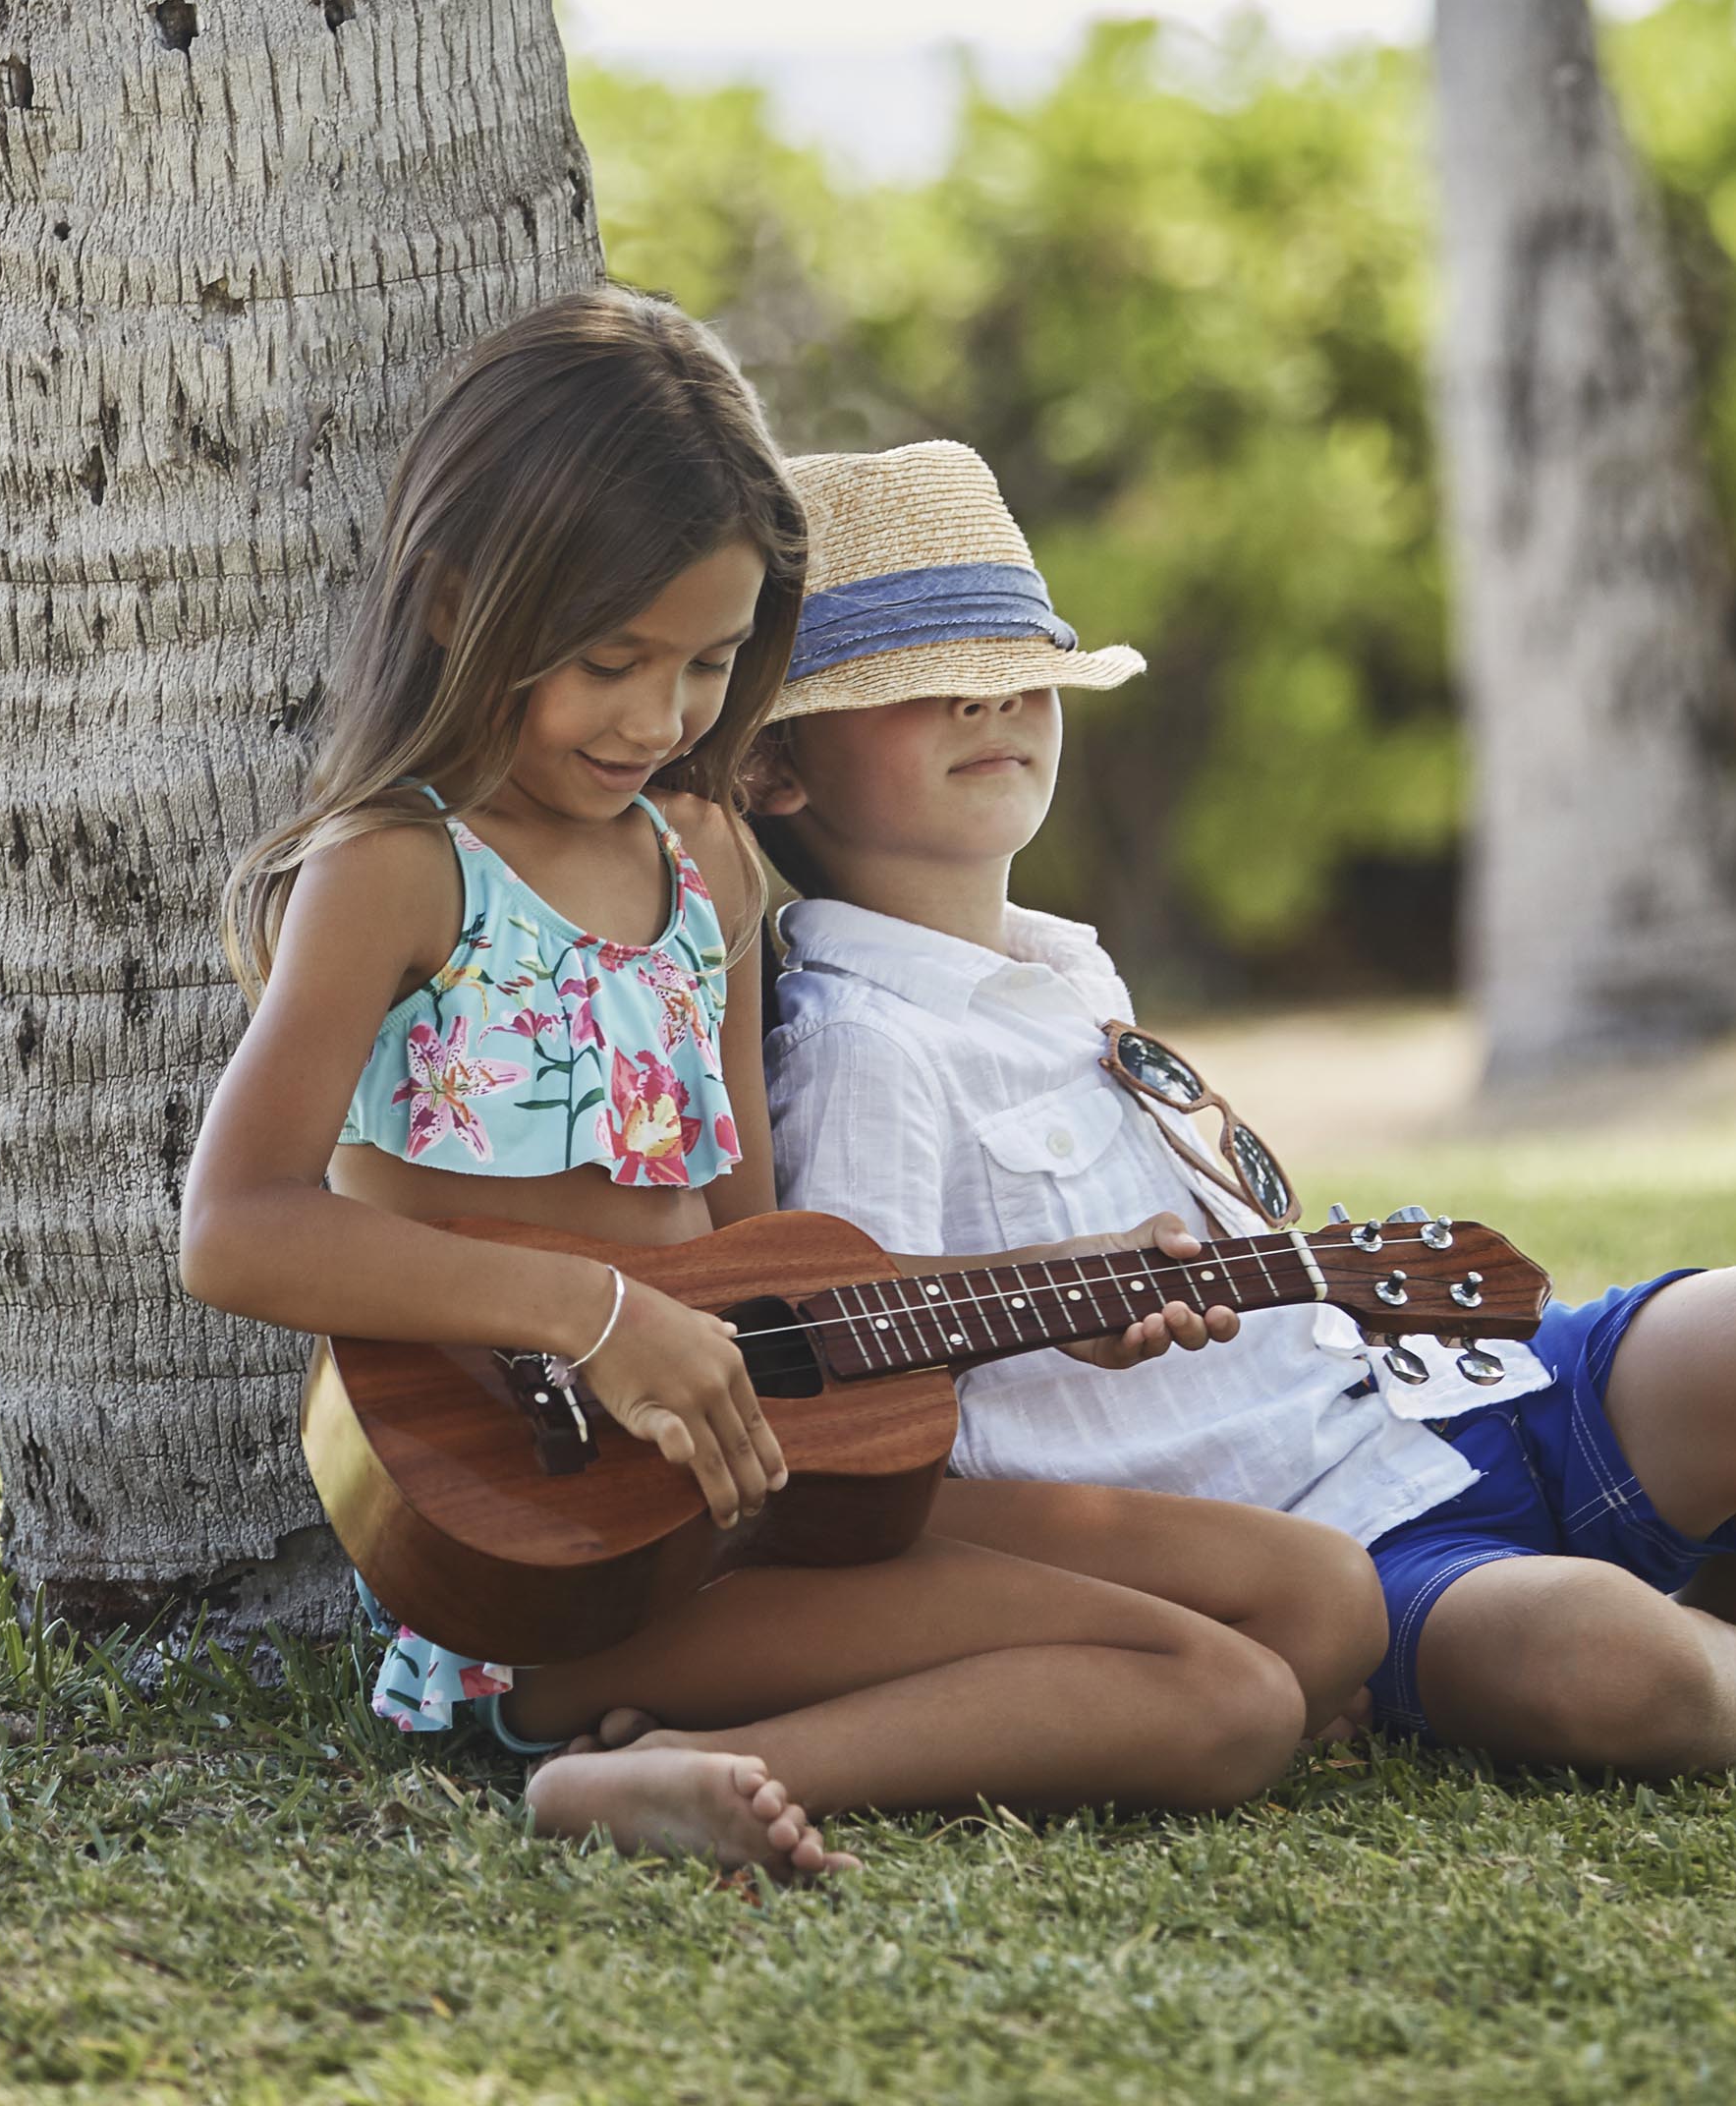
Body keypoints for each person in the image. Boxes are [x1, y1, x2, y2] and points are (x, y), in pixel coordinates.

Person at [180, 292, 1380, 1887]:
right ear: (464, 600)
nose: (662, 717)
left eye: (711, 665)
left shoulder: (711, 860)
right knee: (1225, 1699)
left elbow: (768, 1271)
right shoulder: (399, 871)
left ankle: (742, 1727)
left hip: (750, 1488)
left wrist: (1031, 1299)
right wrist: (599, 1320)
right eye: (613, 661)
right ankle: (649, 1768)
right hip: (557, 1549)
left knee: (1324, 1604)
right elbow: (237, 1231)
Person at [757, 439, 1736, 1778]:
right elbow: (856, 1406)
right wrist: (1071, 1341)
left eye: (1020, 676)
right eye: (926, 684)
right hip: (1326, 1547)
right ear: (773, 768)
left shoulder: (1068, 969)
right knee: (1618, 1677)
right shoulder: (862, 1048)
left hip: (1442, 1393)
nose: (993, 706)